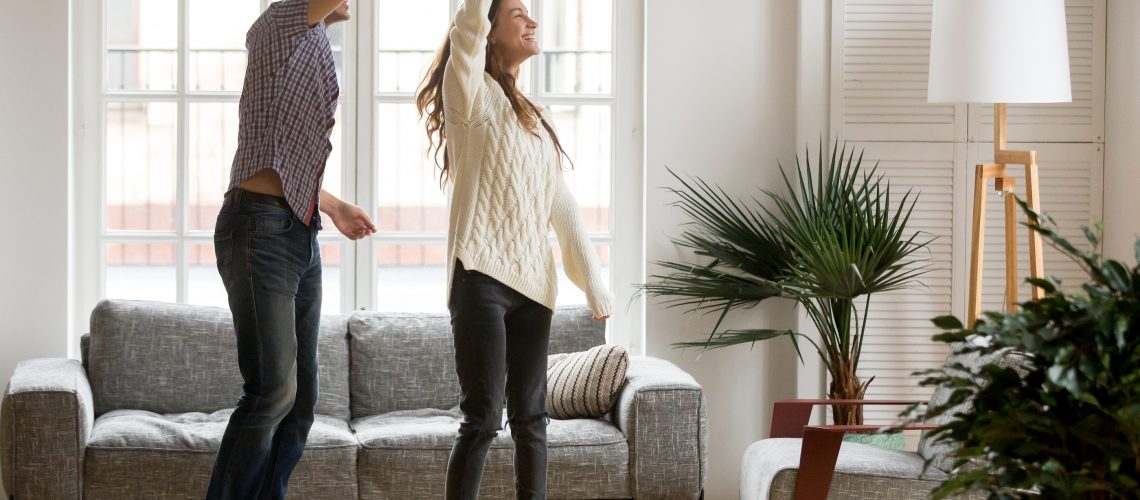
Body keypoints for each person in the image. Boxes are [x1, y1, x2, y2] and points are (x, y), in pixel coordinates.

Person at [416, 0, 613, 498]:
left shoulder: (534, 117)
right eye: (520, 13)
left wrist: (594, 285)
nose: (533, 22)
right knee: (482, 419)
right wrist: (474, 14)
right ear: (490, 27)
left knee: (532, 420)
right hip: (480, 274)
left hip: (533, 286)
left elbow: (561, 206)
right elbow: (463, 37)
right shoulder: (470, 96)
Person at [206, 1, 375, 498]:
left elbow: (281, 155)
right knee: (272, 390)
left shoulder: (316, 41)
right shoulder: (280, 20)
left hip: (299, 228)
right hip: (258, 228)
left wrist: (333, 204)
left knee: (301, 403)